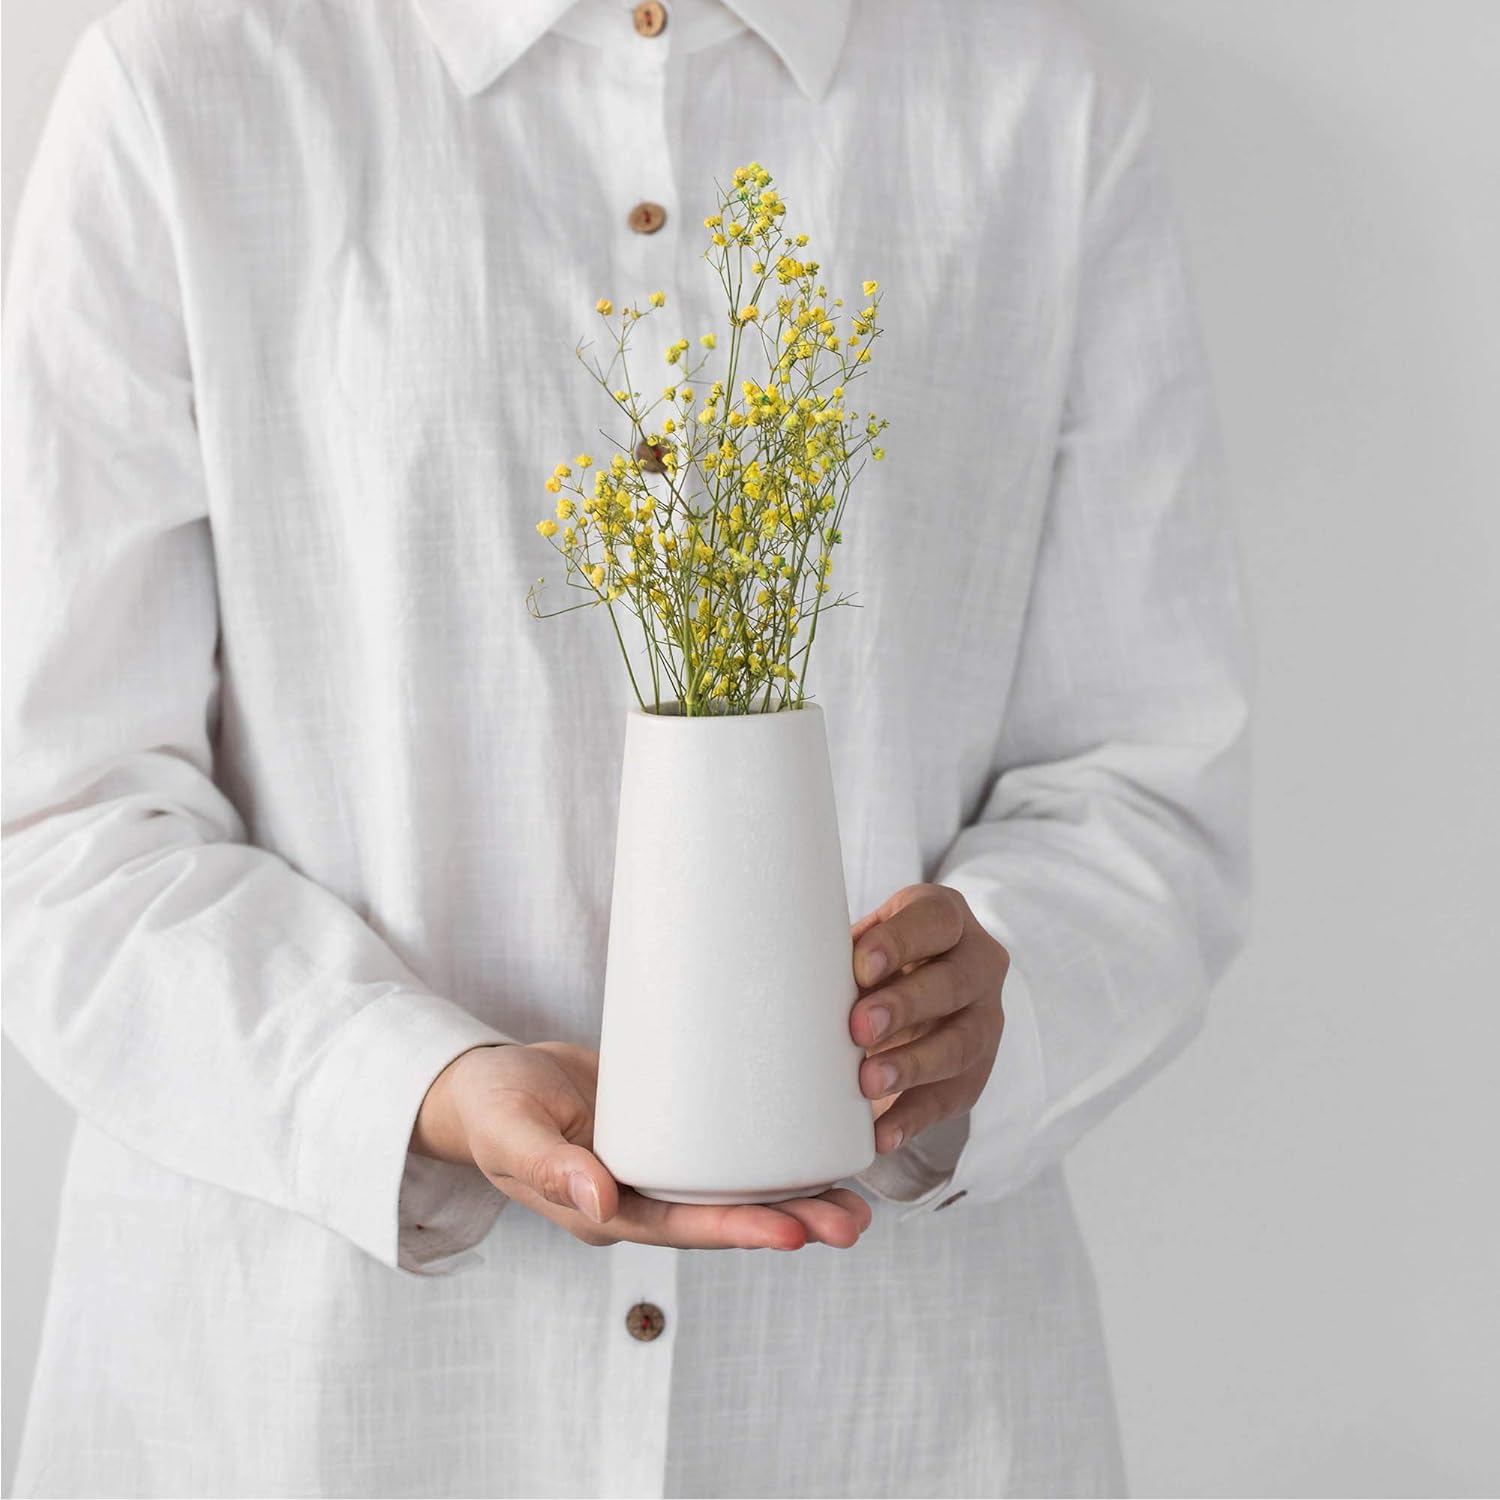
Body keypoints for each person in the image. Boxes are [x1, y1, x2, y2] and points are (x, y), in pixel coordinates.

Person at [1, 0, 1250, 1494]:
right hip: (305, 1408)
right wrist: (412, 1083)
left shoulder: (1038, 109)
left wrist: (988, 1007)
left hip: (885, 1412)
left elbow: (1146, 780)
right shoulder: (189, 86)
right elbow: (61, 817)